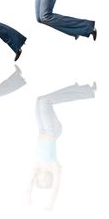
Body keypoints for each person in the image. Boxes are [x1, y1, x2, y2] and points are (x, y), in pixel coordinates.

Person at [28, 82, 96, 210]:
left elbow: (28, 185)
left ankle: (83, 89)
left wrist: (28, 196)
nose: (43, 180)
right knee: (45, 101)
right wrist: (50, 204)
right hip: (52, 131)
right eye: (46, 182)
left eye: (40, 182)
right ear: (51, 180)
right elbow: (56, 187)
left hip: (42, 130)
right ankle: (87, 92)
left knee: (40, 100)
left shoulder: (37, 166)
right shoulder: (54, 167)